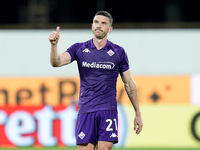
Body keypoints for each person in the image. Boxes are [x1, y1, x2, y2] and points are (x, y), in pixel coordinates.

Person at [49, 11, 143, 150]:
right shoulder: (79, 48)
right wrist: (54, 46)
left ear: (110, 29)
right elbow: (56, 62)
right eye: (96, 22)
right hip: (86, 110)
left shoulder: (118, 52)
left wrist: (137, 113)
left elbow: (129, 83)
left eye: (104, 23)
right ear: (92, 26)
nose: (99, 26)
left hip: (108, 110)